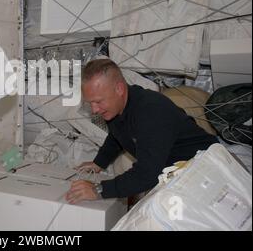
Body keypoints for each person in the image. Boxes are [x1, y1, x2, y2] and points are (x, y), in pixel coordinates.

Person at [65, 59, 218, 204]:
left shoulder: (151, 111)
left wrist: (99, 190)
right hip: (176, 171)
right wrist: (99, 162)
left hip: (207, 169)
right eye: (90, 103)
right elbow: (117, 134)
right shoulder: (117, 107)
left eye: (98, 101)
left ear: (119, 89)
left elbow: (146, 174)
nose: (94, 110)